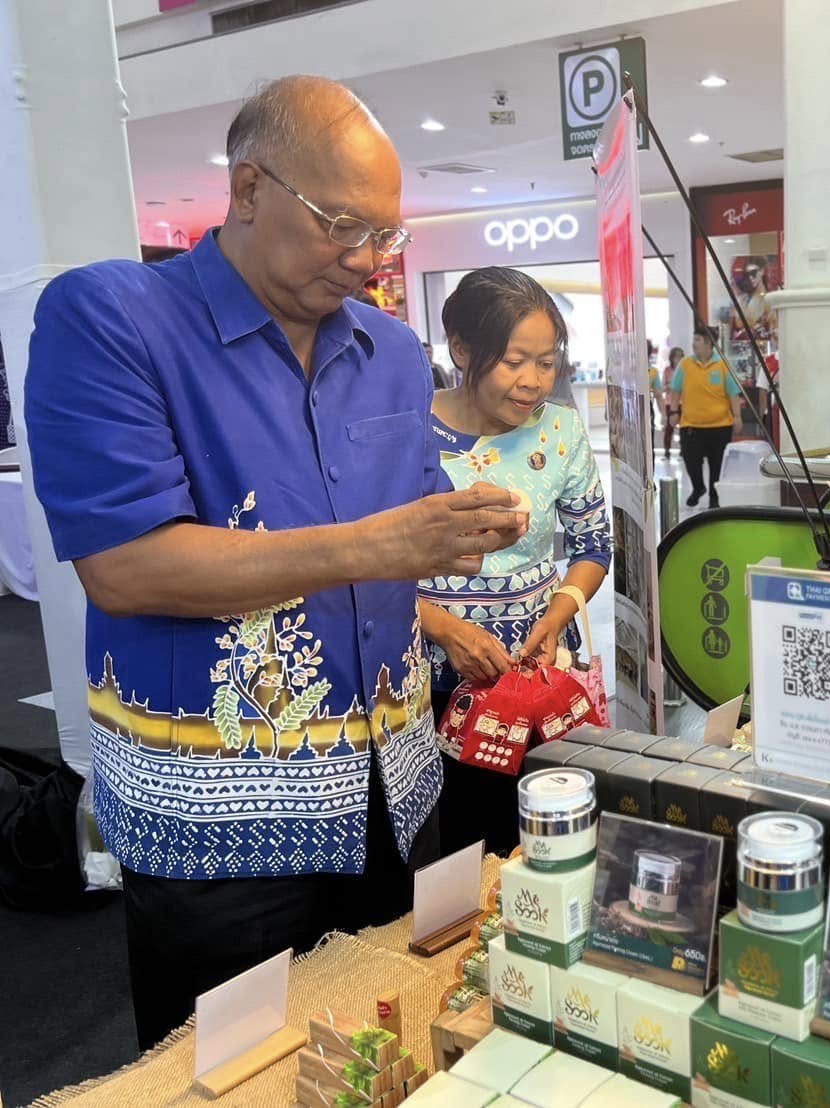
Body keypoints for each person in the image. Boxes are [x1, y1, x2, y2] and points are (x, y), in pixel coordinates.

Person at [25, 76, 527, 1049]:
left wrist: (450, 556)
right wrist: (391, 542)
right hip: (219, 825)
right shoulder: (112, 318)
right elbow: (127, 567)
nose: (366, 261)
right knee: (231, 1067)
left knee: (390, 1037)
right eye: (342, 225)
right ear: (248, 188)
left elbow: (387, 553)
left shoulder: (386, 348)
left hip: (395, 788)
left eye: (387, 236)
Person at [417, 268, 611, 855]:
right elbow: (363, 569)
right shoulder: (408, 434)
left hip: (538, 676)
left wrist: (557, 616)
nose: (532, 382)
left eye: (546, 363)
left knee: (549, 839)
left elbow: (594, 545)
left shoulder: (560, 430)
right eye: (512, 361)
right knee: (456, 853)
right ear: (462, 350)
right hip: (432, 681)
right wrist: (447, 629)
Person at [673, 327, 740, 508]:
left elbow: (733, 393)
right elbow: (675, 390)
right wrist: (672, 413)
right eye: (693, 340)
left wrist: (738, 417)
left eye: (698, 340)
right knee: (690, 460)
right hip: (691, 425)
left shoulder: (723, 365)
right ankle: (698, 487)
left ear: (710, 343)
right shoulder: (686, 364)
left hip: (720, 426)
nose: (694, 344)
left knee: (717, 464)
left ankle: (714, 498)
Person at [661, 346, 684, 460]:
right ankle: (667, 452)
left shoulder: (685, 370)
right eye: (676, 356)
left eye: (680, 356)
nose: (678, 359)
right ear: (672, 358)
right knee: (669, 428)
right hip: (670, 403)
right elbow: (662, 388)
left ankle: (682, 452)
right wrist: (670, 386)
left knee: (683, 428)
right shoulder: (667, 370)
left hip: (683, 402)